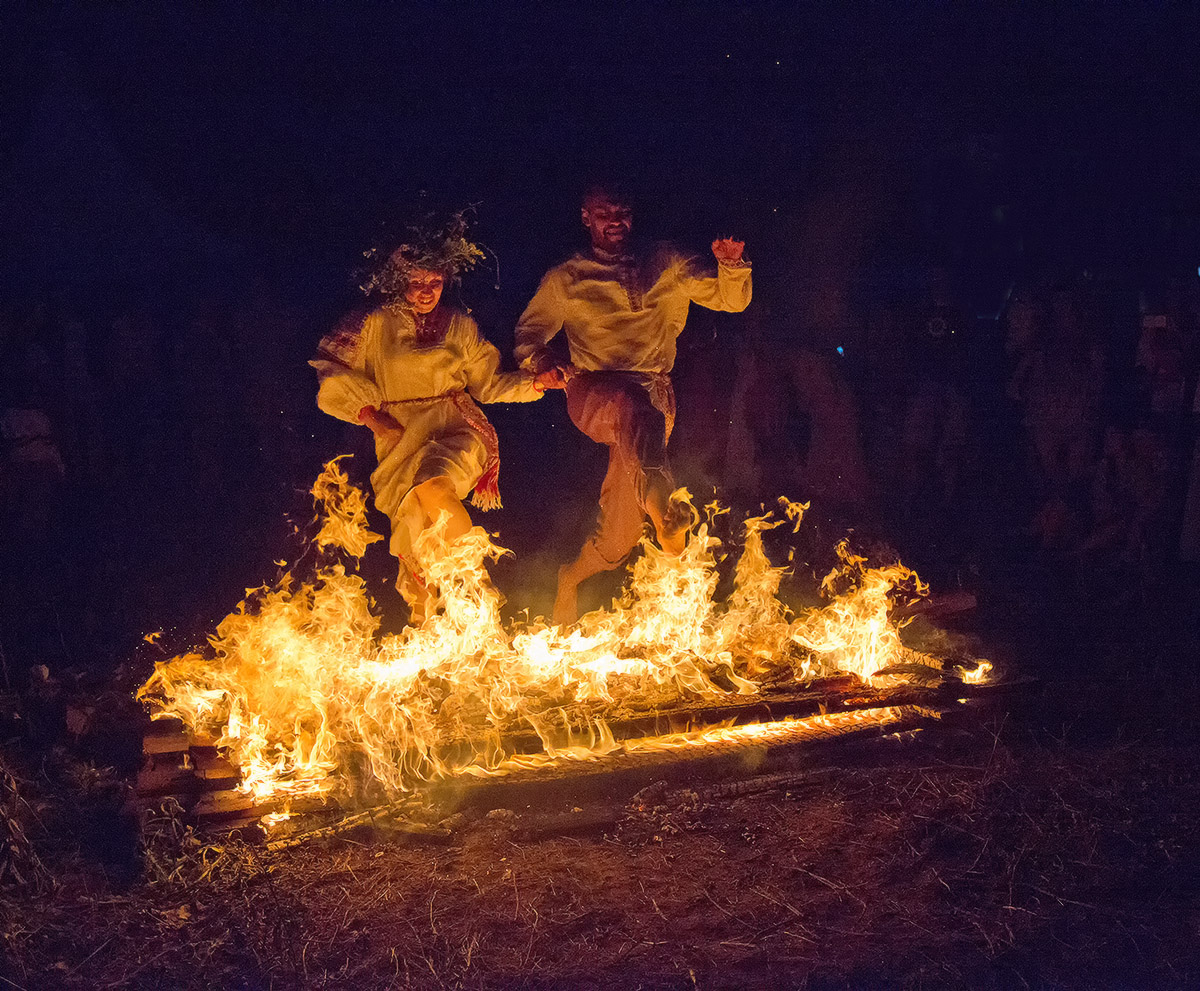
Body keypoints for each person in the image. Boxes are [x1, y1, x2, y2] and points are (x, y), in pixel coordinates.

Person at [514, 181, 752, 624]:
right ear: (587, 218)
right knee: (630, 407)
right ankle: (667, 510)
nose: (616, 221)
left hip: (656, 392)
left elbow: (730, 301)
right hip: (593, 391)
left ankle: (578, 578)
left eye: (622, 212)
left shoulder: (668, 261)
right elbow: (529, 336)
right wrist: (543, 361)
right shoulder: (567, 276)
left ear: (633, 215)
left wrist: (731, 266)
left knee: (621, 533)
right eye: (605, 213)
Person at [310, 215, 562, 623]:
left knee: (434, 485)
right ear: (396, 279)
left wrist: (537, 385)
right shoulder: (371, 324)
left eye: (435, 283)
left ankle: (481, 593)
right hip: (399, 434)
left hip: (454, 424)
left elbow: (490, 384)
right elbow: (330, 370)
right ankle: (423, 628)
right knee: (418, 539)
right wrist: (372, 417)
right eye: (416, 282)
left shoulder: (461, 327)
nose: (426, 293)